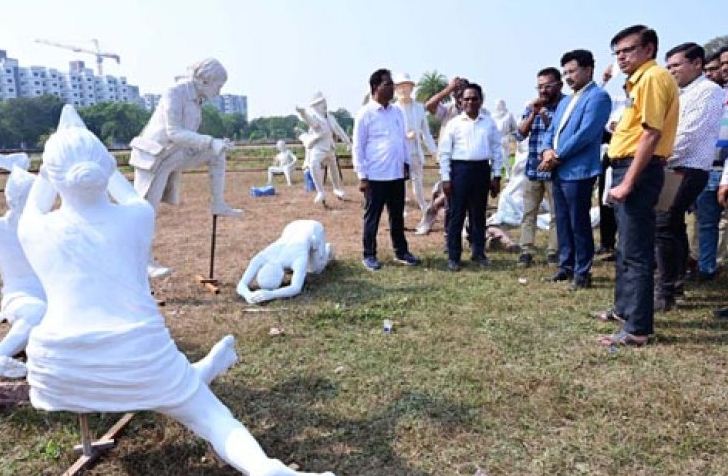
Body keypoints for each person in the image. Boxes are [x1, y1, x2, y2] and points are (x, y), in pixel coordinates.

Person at [18, 105, 335, 476]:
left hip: (60, 372)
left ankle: (199, 371)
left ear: (53, 177)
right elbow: (124, 190)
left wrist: (62, 145)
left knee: (180, 384)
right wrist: (93, 153)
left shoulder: (33, 229)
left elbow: (42, 194)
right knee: (212, 416)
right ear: (106, 169)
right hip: (139, 355)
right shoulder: (136, 216)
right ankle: (265, 469)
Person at [596, 25, 679, 346]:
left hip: (637, 170)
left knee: (637, 253)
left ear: (649, 49)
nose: (621, 57)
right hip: (625, 167)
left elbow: (651, 134)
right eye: (617, 53)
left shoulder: (653, 78)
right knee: (626, 248)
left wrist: (628, 181)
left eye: (628, 50)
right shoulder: (638, 82)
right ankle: (625, 310)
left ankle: (638, 329)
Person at [129, 58, 241, 278]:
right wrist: (209, 141)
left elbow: (186, 137)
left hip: (174, 155)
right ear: (204, 80)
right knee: (144, 213)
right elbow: (173, 132)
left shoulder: (197, 98)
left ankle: (218, 204)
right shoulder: (175, 92)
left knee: (218, 153)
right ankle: (142, 260)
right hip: (154, 158)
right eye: (218, 86)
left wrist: (215, 145)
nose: (219, 92)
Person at [652, 43, 724, 312]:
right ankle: (675, 284)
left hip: (685, 167)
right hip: (673, 166)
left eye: (677, 65)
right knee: (671, 225)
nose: (671, 71)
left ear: (697, 64)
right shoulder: (682, 92)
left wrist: (656, 156)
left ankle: (666, 289)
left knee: (663, 225)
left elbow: (686, 135)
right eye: (668, 66)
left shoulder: (707, 91)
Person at [539, 49, 612, 289]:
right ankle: (566, 265)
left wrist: (557, 155)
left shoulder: (598, 97)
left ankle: (583, 271)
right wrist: (547, 150)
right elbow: (550, 131)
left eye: (572, 71)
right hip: (558, 169)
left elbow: (587, 133)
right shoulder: (565, 102)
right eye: (565, 72)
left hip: (579, 170)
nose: (568, 77)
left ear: (588, 70)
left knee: (578, 221)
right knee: (562, 220)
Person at [353, 68, 420, 271]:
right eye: (388, 84)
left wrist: (406, 163)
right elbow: (358, 146)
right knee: (372, 216)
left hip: (396, 174)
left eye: (392, 84)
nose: (392, 88)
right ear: (375, 87)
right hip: (375, 176)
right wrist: (362, 176)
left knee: (397, 216)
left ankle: (401, 251)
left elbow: (402, 140)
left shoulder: (396, 112)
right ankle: (369, 255)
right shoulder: (365, 114)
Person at [439, 83, 502, 271]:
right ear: (460, 101)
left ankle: (478, 252)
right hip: (459, 172)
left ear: (481, 101)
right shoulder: (454, 124)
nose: (470, 102)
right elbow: (444, 153)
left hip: (481, 170)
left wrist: (496, 176)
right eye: (466, 99)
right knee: (456, 216)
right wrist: (445, 178)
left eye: (474, 98)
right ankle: (454, 257)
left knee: (478, 215)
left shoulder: (489, 123)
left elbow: (497, 150)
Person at [0, 154, 46, 378]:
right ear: (13, 200)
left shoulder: (46, 227)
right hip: (21, 295)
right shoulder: (2, 230)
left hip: (56, 293)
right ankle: (3, 353)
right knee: (37, 312)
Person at [515, 67, 564, 268]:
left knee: (556, 214)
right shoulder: (532, 106)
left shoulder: (566, 105)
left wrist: (545, 116)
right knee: (529, 212)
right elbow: (519, 135)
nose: (543, 91)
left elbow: (557, 133)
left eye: (547, 86)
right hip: (533, 168)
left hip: (555, 169)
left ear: (559, 85)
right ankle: (526, 250)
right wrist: (533, 114)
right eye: (540, 86)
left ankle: (553, 251)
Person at [236, 220, 333, 304]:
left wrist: (272, 294)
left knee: (315, 270)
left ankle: (326, 250)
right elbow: (241, 285)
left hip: (314, 230)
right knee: (304, 266)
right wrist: (247, 295)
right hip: (292, 227)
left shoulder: (298, 257)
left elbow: (296, 288)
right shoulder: (261, 257)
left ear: (282, 276)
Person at [393, 72, 437, 214]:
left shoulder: (419, 108)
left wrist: (434, 152)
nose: (404, 90)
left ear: (412, 88)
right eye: (401, 87)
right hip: (399, 152)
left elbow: (426, 133)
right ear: (396, 89)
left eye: (407, 86)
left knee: (417, 180)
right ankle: (402, 207)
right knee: (400, 181)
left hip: (415, 150)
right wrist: (404, 136)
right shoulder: (393, 109)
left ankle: (423, 205)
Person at [295, 92, 351, 204]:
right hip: (318, 148)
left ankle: (337, 189)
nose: (324, 105)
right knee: (313, 164)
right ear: (315, 106)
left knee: (333, 168)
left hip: (330, 147)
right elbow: (311, 122)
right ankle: (320, 191)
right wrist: (303, 113)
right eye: (321, 103)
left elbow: (339, 130)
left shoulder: (330, 117)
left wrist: (348, 142)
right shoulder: (315, 117)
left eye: (324, 102)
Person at [492, 99, 518, 178]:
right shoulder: (493, 116)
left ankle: (508, 174)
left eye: (500, 104)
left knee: (505, 157)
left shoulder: (509, 115)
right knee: (494, 158)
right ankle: (495, 175)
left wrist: (511, 136)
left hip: (505, 138)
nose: (498, 105)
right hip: (495, 139)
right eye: (497, 104)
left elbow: (514, 127)